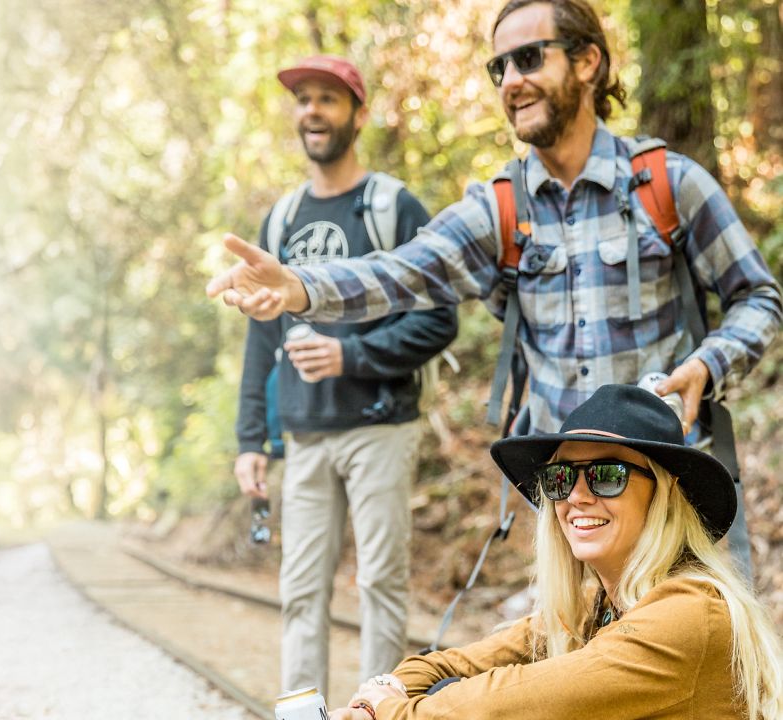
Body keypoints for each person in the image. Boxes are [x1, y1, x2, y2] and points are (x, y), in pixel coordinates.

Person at [206, 0, 781, 574]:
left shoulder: (668, 184)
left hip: (669, 495)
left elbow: (758, 297)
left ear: (587, 62)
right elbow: (402, 270)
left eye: (528, 58)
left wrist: (709, 365)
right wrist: (298, 285)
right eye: (499, 68)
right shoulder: (500, 208)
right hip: (568, 510)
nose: (512, 81)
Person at [324, 383, 783, 718]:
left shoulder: (689, 615)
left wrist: (392, 712)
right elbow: (452, 664)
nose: (577, 497)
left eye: (607, 475)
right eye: (560, 479)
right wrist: (383, 694)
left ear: (664, 494)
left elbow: (508, 705)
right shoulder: (594, 607)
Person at [232, 55, 458, 694]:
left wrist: (349, 356)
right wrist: (253, 438)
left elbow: (440, 320)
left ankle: (378, 711)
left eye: (328, 99)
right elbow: (261, 335)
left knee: (381, 585)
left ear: (358, 115)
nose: (312, 111)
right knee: (299, 591)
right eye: (304, 99)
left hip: (379, 428)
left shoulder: (391, 207)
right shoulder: (280, 220)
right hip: (303, 436)